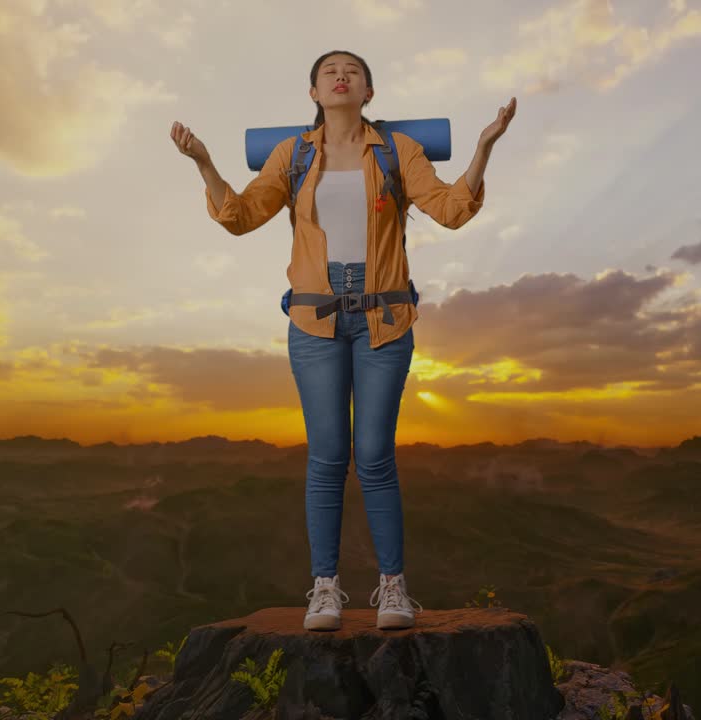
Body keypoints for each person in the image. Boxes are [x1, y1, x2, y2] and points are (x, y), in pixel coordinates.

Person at [170, 50, 516, 632]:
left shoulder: (398, 151)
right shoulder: (295, 154)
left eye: (352, 71)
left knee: (376, 457)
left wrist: (483, 148)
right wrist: (203, 162)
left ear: (368, 92)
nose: (340, 76)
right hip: (315, 321)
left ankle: (393, 589)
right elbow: (239, 215)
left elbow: (451, 210)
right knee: (328, 459)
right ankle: (325, 590)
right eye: (329, 71)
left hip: (385, 319)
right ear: (313, 92)